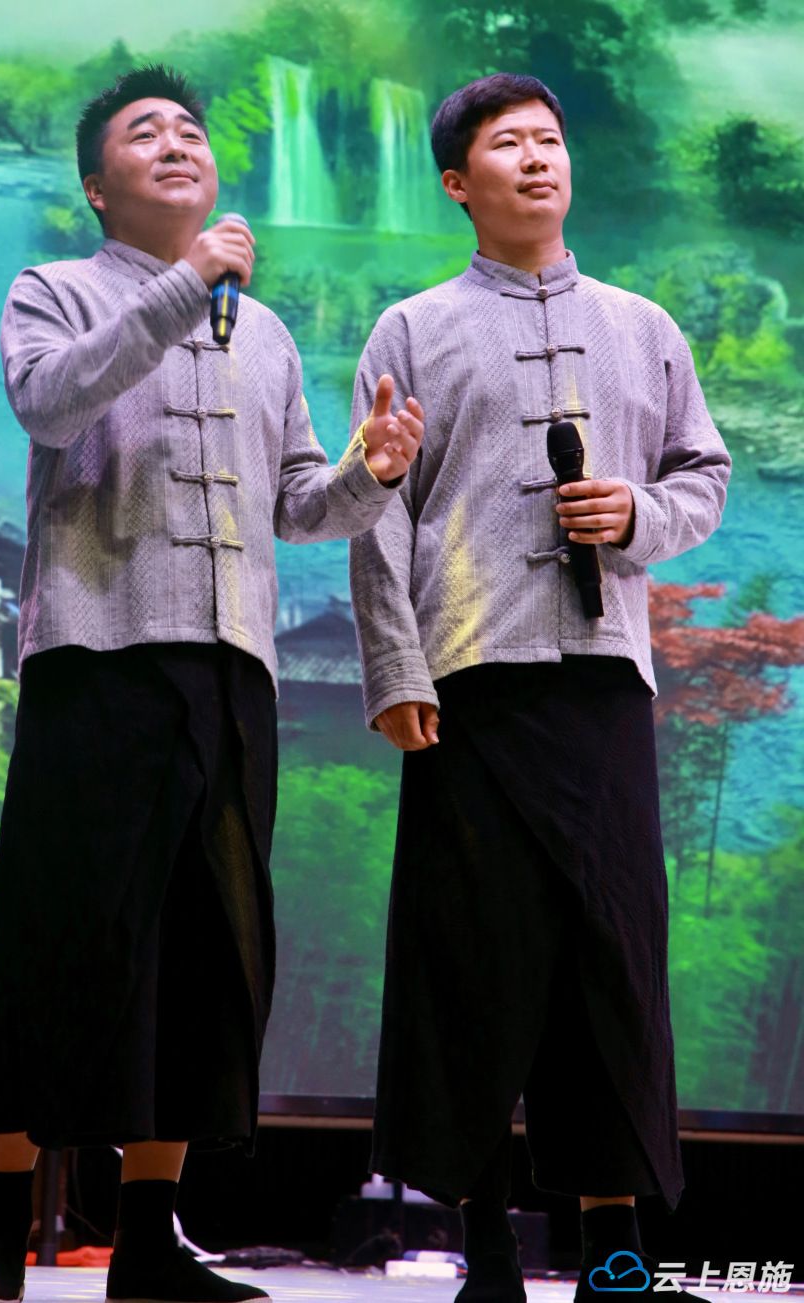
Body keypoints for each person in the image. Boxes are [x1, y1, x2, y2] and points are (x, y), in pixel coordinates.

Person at [0, 63, 424, 1303]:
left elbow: (299, 504)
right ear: (98, 188)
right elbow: (49, 406)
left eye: (191, 130)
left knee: (206, 947)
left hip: (233, 670)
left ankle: (150, 1238)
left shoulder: (264, 334)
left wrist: (373, 472)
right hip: (98, 658)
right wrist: (184, 283)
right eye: (143, 132)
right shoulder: (53, 289)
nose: (176, 142)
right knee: (63, 936)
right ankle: (0, 1227)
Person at [348, 73, 730, 1303]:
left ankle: (613, 1251)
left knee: (610, 962)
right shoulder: (411, 330)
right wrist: (395, 666)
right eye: (506, 144)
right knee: (473, 962)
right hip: (470, 688)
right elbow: (376, 516)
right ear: (456, 182)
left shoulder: (641, 325)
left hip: (604, 683)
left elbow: (702, 475)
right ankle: (488, 1247)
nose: (535, 159)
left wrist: (637, 515)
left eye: (549, 140)